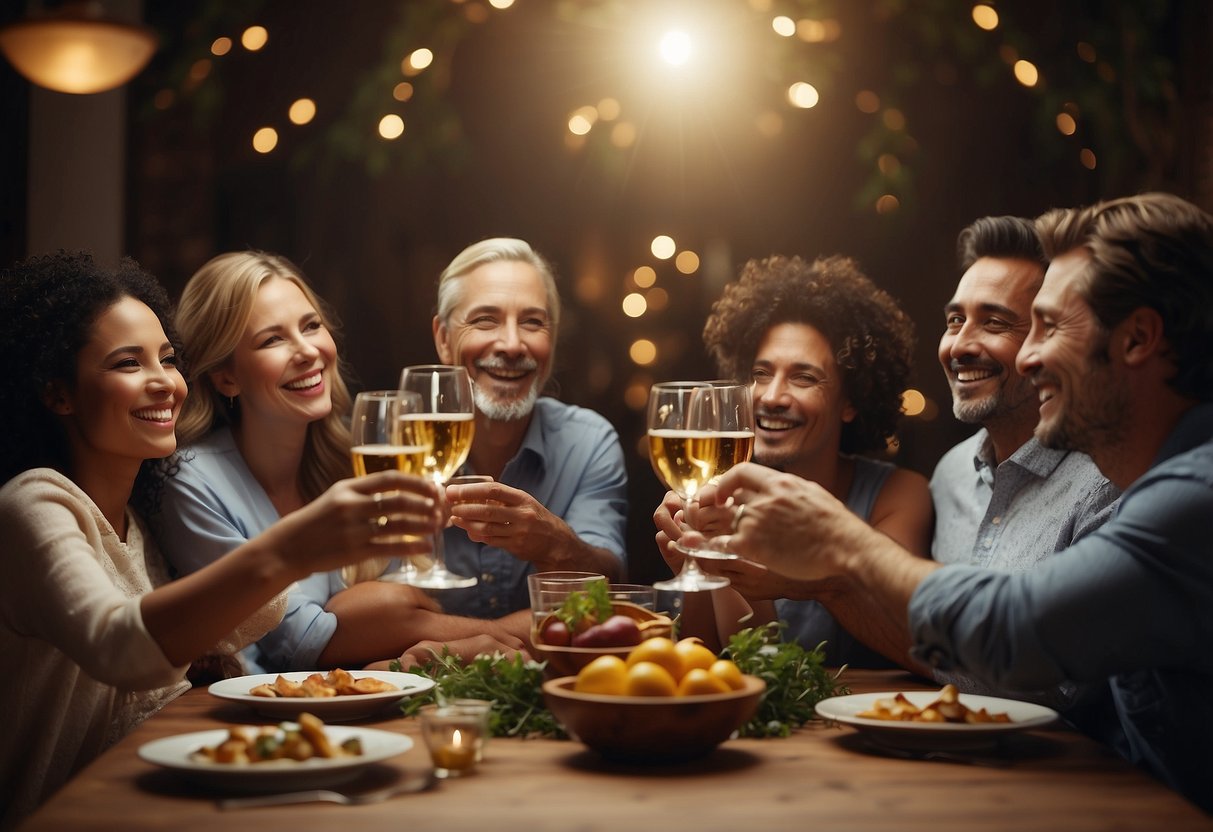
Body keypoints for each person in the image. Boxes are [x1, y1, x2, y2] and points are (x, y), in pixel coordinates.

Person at [704, 193, 1213, 811]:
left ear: (1137, 339)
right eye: (955, 320)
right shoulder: (954, 474)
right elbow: (952, 659)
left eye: (1043, 327)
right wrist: (827, 582)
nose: (1028, 356)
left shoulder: (1193, 496)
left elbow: (1020, 638)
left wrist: (838, 541)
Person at [0, 252, 436, 827]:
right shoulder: (35, 503)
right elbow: (117, 647)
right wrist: (292, 548)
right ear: (60, 394)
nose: (164, 383)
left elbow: (225, 641)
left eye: (168, 359)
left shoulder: (139, 517)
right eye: (128, 364)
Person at [154, 251, 524, 673]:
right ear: (226, 377)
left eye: (311, 326)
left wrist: (385, 622)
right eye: (272, 339)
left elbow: (392, 614)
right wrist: (479, 640)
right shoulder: (191, 480)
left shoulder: (348, 459)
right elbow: (295, 642)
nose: (308, 350)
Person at [654, 254, 933, 666]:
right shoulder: (718, 497)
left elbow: (901, 633)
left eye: (804, 377)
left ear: (851, 402)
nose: (771, 397)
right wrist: (708, 565)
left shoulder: (899, 495)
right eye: (761, 373)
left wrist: (791, 573)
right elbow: (722, 660)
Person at [431, 238, 629, 619]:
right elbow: (352, 609)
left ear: (552, 340)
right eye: (485, 319)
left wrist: (551, 543)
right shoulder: (393, 446)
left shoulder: (589, 441)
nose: (511, 344)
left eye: (532, 322)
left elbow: (608, 596)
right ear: (443, 338)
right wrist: (488, 641)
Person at [932, 216, 1119, 572]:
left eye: (994, 322)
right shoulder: (948, 476)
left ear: (1048, 338)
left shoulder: (1105, 484)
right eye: (955, 320)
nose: (960, 346)